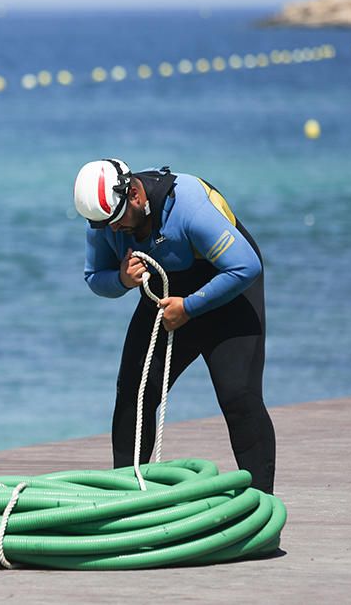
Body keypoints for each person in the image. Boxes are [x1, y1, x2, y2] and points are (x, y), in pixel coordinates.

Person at [73, 158, 275, 494]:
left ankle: (261, 510)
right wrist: (122, 279)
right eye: (102, 225)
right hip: (168, 296)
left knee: (238, 396)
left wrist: (190, 307)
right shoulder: (105, 218)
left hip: (228, 289)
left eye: (115, 221)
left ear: (135, 195)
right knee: (134, 394)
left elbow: (246, 266)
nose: (111, 230)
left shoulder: (189, 206)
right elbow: (94, 277)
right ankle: (127, 504)